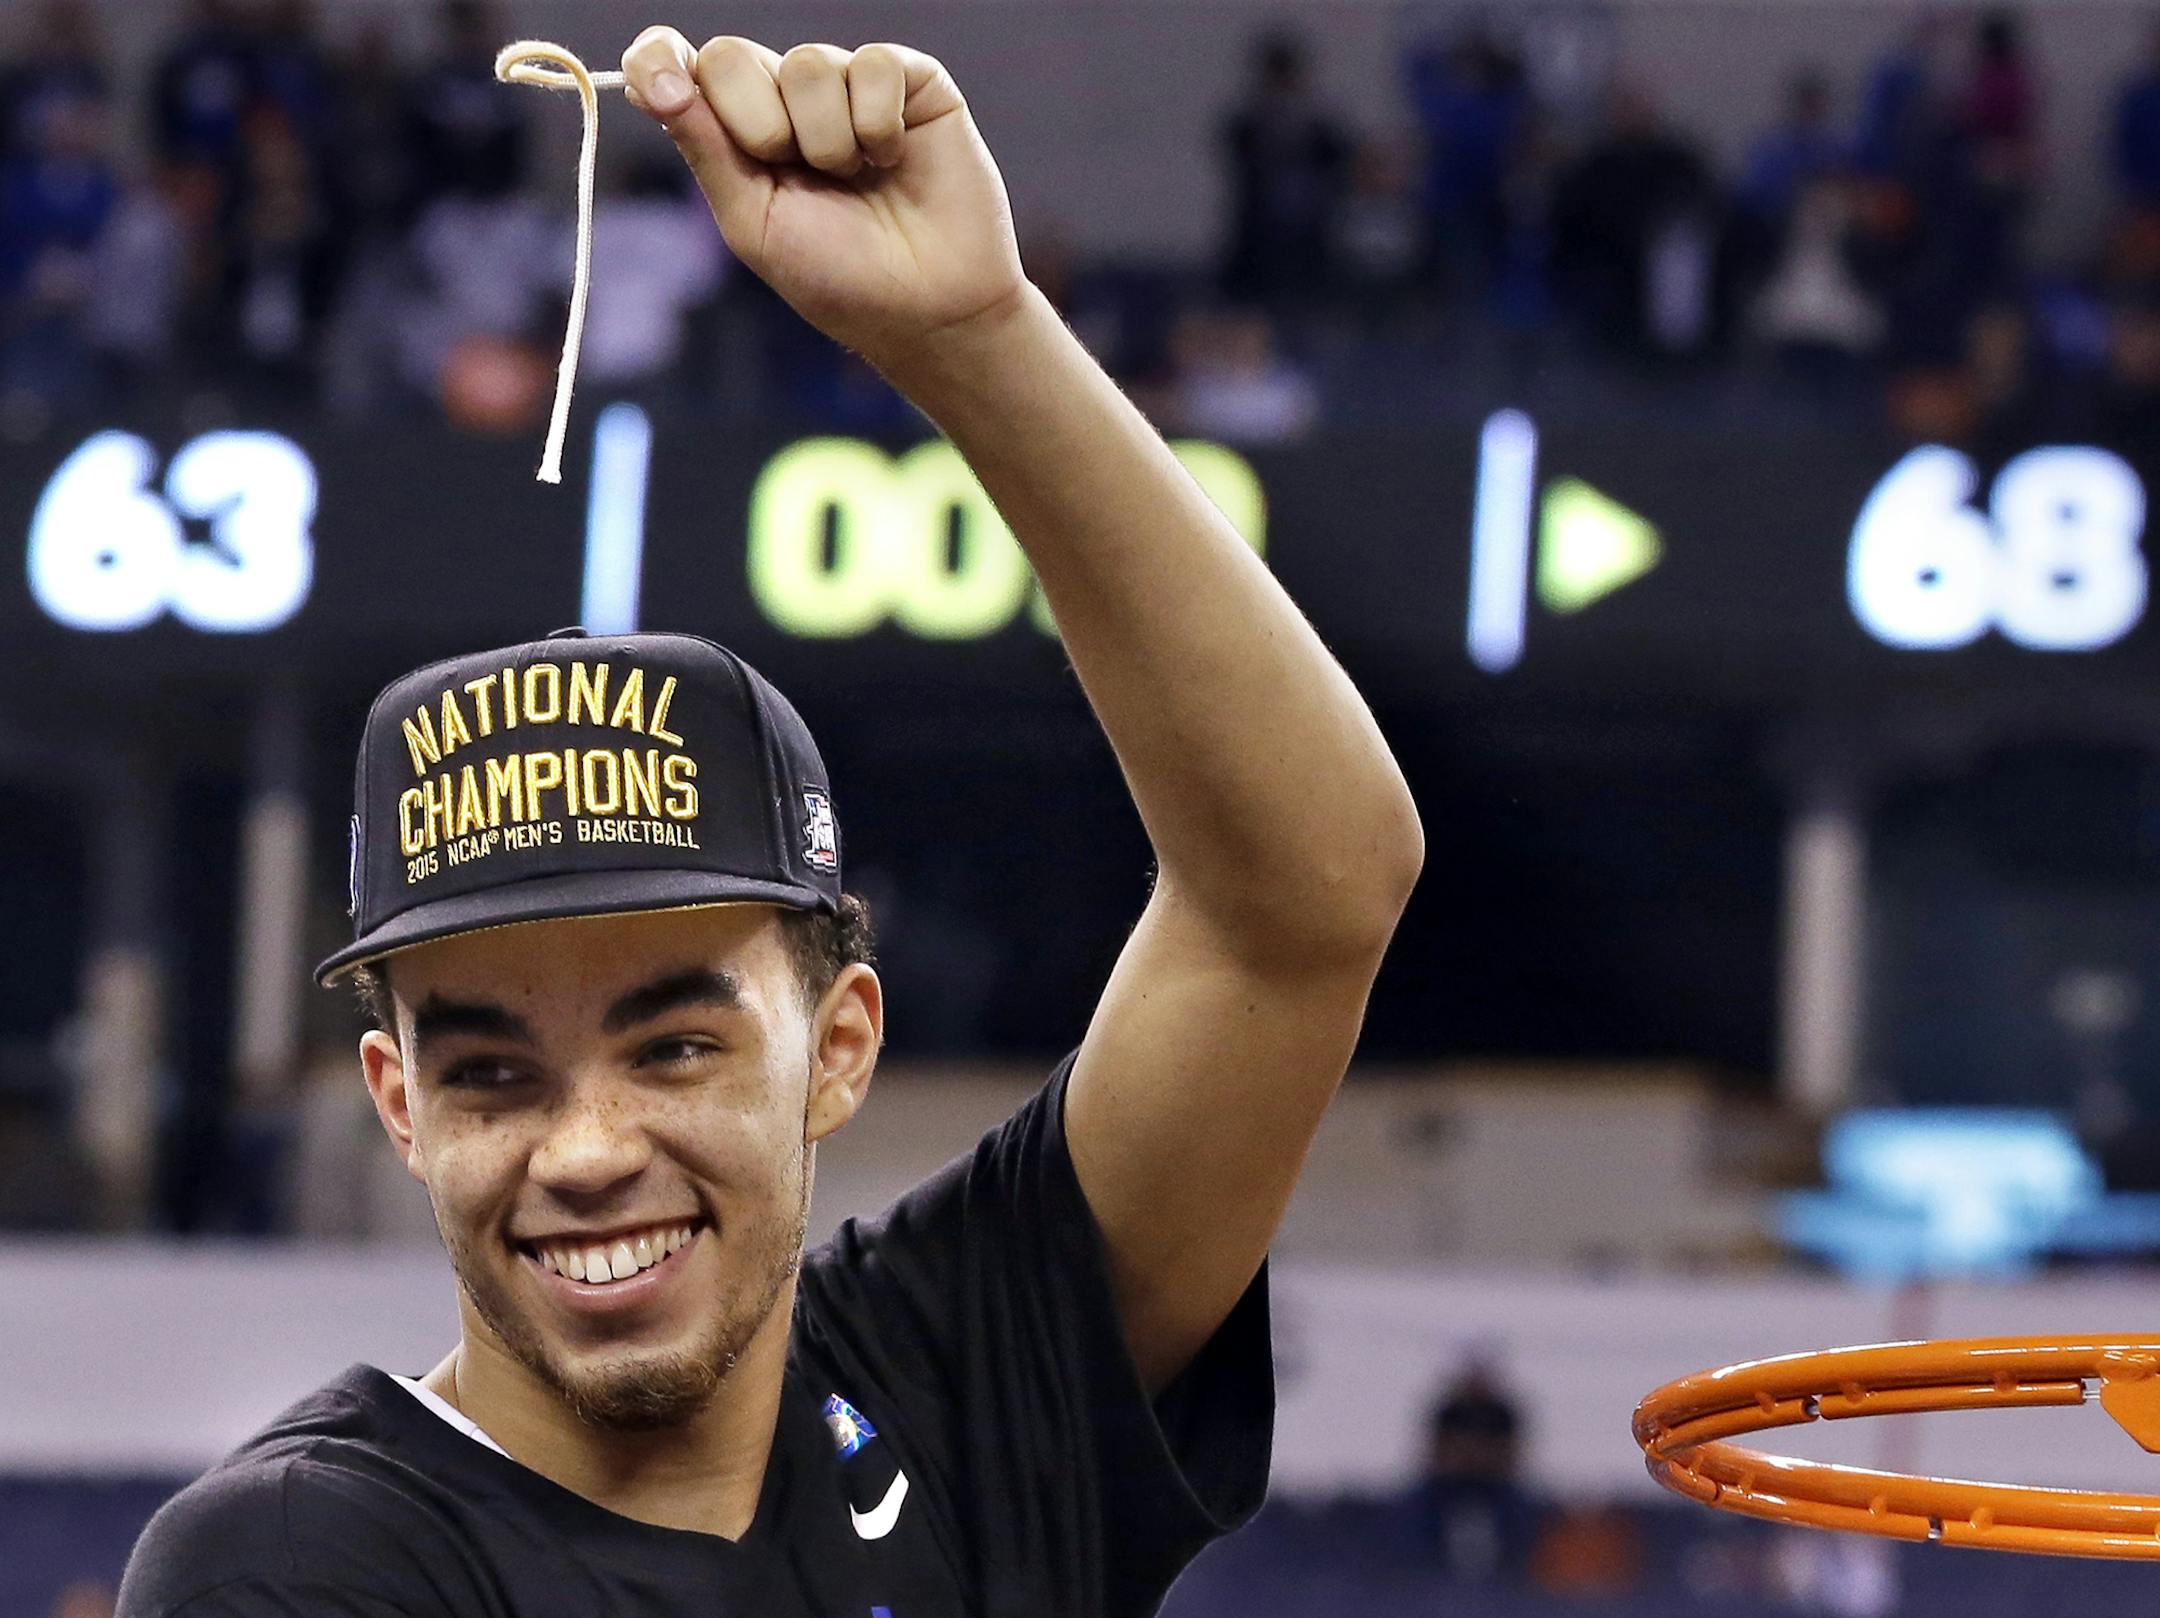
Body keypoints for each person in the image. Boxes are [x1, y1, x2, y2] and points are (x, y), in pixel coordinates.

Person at [115, 26, 1424, 1618]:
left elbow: (1307, 895)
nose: (587, 1151)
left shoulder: (964, 1382)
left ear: (842, 1040)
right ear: (398, 1103)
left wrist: (977, 336)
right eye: (490, 1074)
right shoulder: (300, 1562)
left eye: (675, 1044)